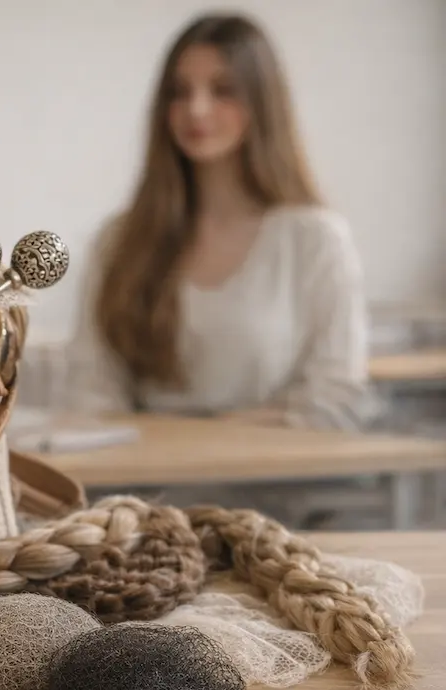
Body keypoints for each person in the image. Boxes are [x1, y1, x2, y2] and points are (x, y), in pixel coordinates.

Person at [62, 13, 378, 431]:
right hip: (146, 488)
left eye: (223, 90)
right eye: (179, 92)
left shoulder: (314, 239)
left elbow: (337, 397)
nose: (197, 109)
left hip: (278, 485)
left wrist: (213, 437)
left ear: (262, 103)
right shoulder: (118, 241)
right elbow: (92, 391)